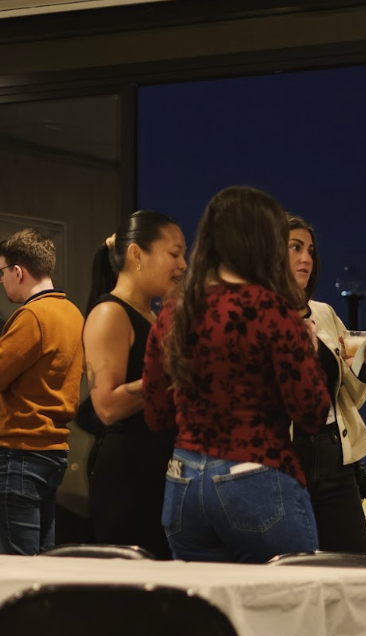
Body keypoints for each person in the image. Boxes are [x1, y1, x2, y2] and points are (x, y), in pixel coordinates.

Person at [142, 186, 331, 564]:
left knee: (208, 617)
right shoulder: (270, 310)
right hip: (256, 477)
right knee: (289, 610)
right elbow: (311, 413)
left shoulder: (176, 311)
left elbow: (157, 413)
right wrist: (309, 352)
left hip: (184, 483)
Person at [83, 211, 186, 559]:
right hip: (129, 476)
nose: (183, 265)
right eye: (174, 253)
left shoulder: (153, 317)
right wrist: (173, 374)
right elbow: (107, 407)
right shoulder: (110, 313)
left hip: (159, 470)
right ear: (137, 255)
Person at [287, 214, 366, 553]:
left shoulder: (321, 312)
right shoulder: (258, 316)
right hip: (286, 454)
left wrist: (356, 365)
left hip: (334, 449)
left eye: (310, 249)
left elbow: (352, 398)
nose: (306, 258)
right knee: (293, 566)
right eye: (295, 248)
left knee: (354, 561)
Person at [0, 229, 84, 554]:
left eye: (2, 273)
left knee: (16, 571)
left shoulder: (33, 315)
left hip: (20, 451)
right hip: (53, 451)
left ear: (18, 271)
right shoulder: (72, 313)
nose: (3, 281)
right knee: (43, 562)